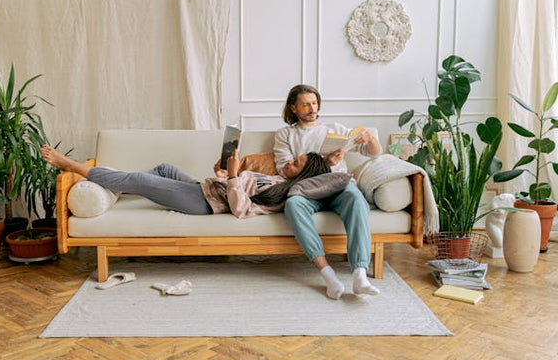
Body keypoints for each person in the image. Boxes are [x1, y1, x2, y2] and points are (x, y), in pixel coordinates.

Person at [274, 84, 382, 300]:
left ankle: (360, 274)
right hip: (307, 189)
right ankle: (327, 274)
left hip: (338, 186)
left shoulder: (336, 129)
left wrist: (370, 139)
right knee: (293, 205)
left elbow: (374, 153)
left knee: (356, 198)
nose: (312, 108)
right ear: (293, 108)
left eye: (314, 103)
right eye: (305, 104)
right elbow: (285, 170)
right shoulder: (285, 134)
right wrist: (324, 162)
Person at [41, 145, 330, 219]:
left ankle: (72, 166)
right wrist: (225, 174)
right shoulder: (277, 176)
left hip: (204, 204)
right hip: (206, 188)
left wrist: (231, 176)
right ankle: (117, 185)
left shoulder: (281, 194)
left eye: (297, 163)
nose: (290, 160)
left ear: (303, 175)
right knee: (165, 168)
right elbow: (240, 187)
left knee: (141, 179)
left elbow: (241, 210)